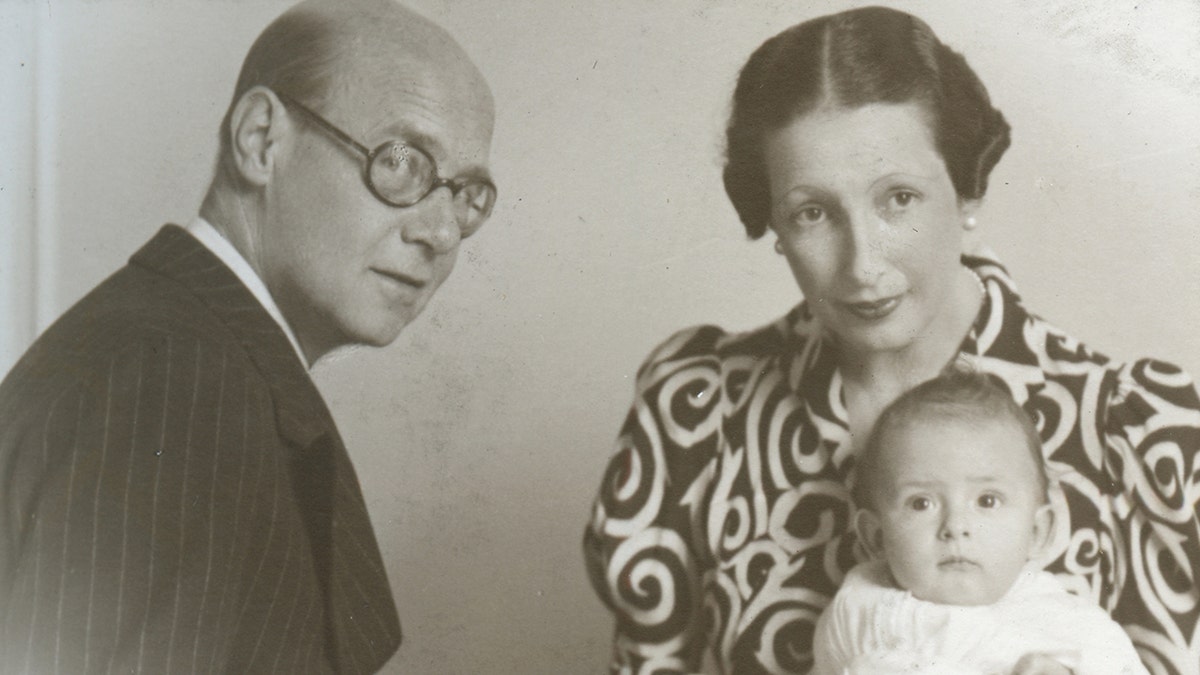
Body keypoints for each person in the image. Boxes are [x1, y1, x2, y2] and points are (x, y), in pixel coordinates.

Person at [582, 6, 1199, 674]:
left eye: (897, 198)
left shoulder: (1137, 430)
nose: (862, 265)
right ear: (775, 225)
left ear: (967, 192)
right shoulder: (698, 413)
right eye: (812, 212)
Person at [0, 0, 495, 672]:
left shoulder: (186, 359)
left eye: (466, 193)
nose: (439, 232)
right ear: (261, 139)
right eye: (402, 162)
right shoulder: (172, 385)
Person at [812, 371, 1148, 675]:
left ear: (1037, 531)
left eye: (987, 501)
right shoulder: (854, 607)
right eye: (921, 503)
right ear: (876, 537)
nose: (956, 526)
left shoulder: (1073, 627)